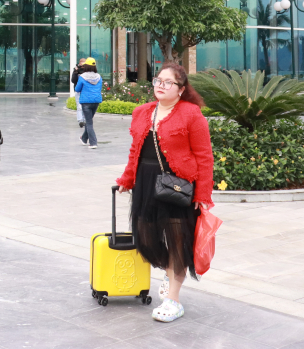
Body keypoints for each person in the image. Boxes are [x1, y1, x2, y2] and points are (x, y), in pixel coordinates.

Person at [116, 62, 214, 324]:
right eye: (158, 80)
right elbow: (135, 151)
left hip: (178, 185)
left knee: (177, 240)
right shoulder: (142, 112)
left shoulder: (192, 114)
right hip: (146, 183)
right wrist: (127, 179)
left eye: (168, 82)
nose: (161, 85)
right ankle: (168, 272)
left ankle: (173, 299)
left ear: (181, 89)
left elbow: (204, 156)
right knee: (145, 237)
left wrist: (202, 195)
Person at [74, 58, 102, 148]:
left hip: (86, 102)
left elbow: (77, 89)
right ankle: (84, 139)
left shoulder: (82, 77)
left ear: (86, 66)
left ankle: (93, 143)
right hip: (96, 101)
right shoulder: (99, 76)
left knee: (89, 123)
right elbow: (99, 88)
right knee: (89, 120)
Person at [71, 57, 87, 128]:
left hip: (85, 91)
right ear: (79, 64)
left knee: (85, 106)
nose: (82, 67)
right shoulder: (76, 70)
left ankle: (84, 120)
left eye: (84, 65)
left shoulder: (87, 70)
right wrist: (75, 72)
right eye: (81, 65)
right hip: (78, 90)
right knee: (79, 106)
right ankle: (80, 120)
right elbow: (73, 80)